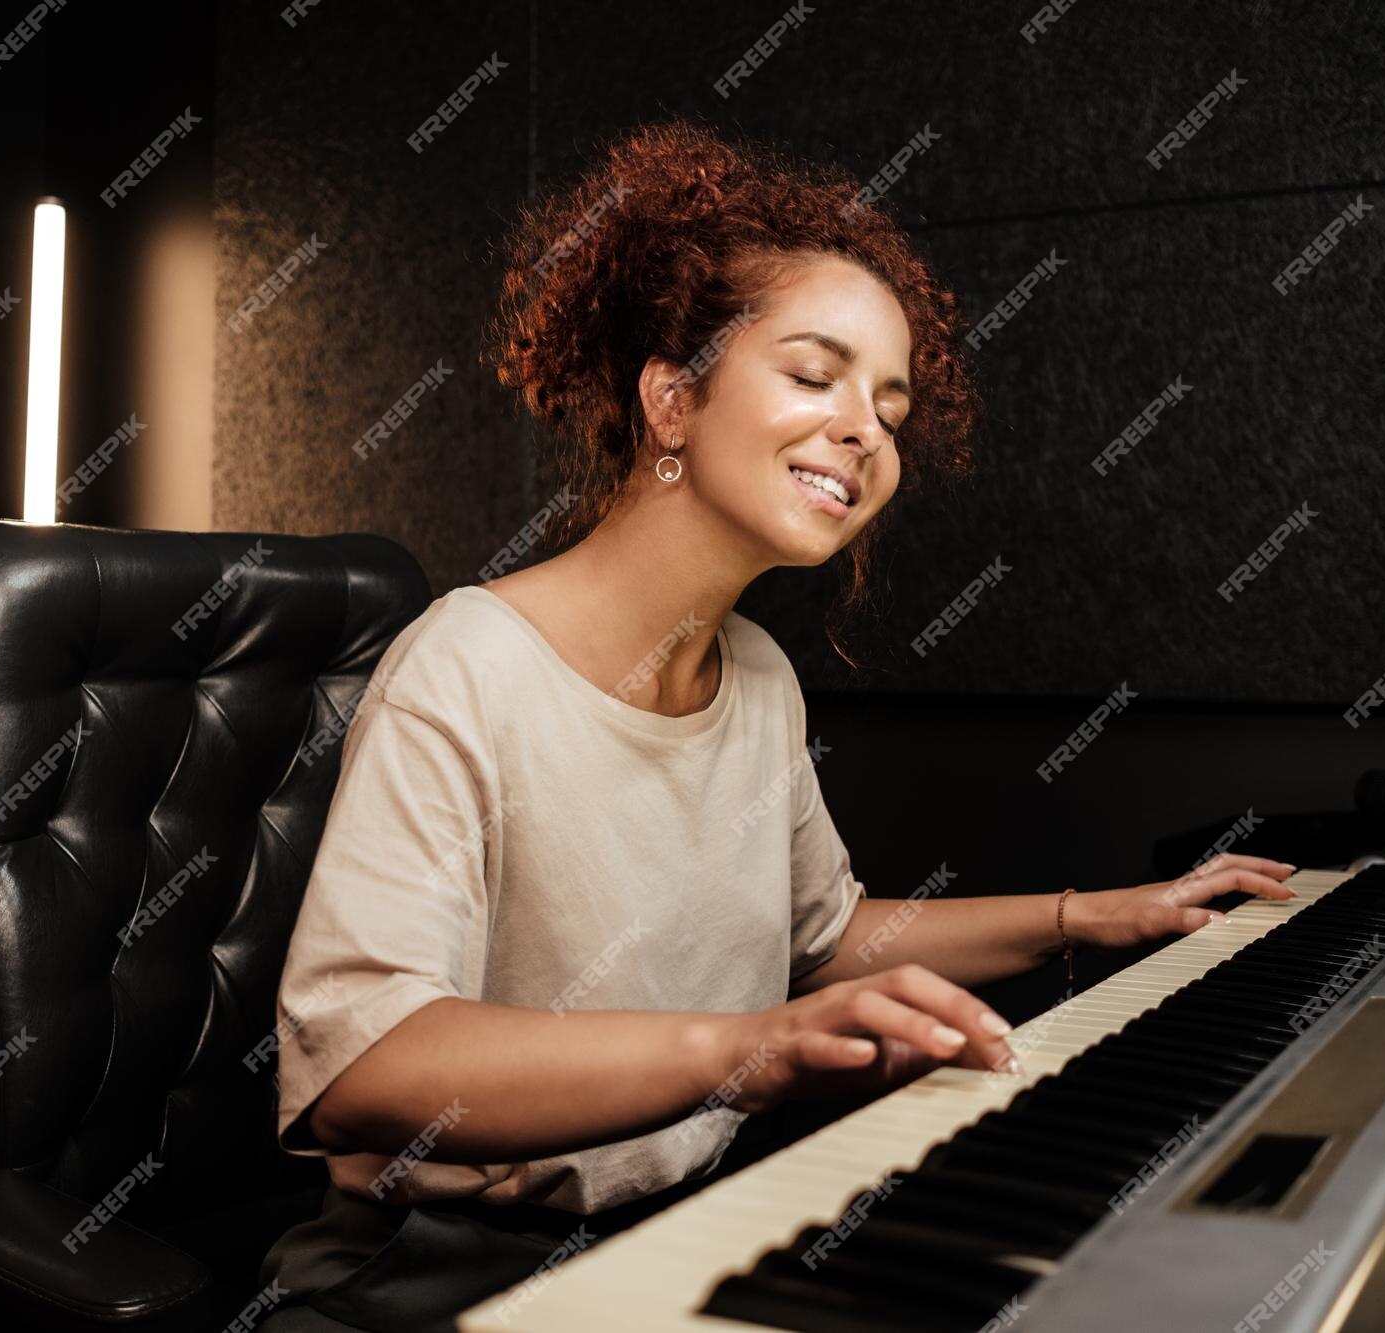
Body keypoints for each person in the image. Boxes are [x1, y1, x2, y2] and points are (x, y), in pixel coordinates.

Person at [257, 116, 1296, 1332]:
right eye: (814, 377)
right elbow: (363, 1071)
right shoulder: (464, 666)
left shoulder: (755, 673)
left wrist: (1087, 919)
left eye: (891, 410)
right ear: (670, 400)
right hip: (436, 1273)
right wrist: (745, 1050)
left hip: (679, 1230)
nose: (865, 429)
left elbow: (826, 941)